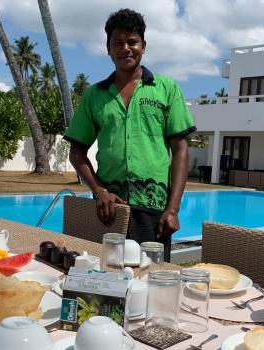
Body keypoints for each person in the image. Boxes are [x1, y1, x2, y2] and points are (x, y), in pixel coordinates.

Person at [64, 9, 196, 261]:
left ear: (143, 46)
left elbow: (180, 150)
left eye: (132, 42)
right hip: (109, 210)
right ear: (108, 48)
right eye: (118, 43)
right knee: (105, 277)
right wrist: (99, 190)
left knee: (149, 280)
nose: (126, 48)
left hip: (153, 212)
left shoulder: (166, 89)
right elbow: (77, 151)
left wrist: (173, 209)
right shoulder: (95, 96)